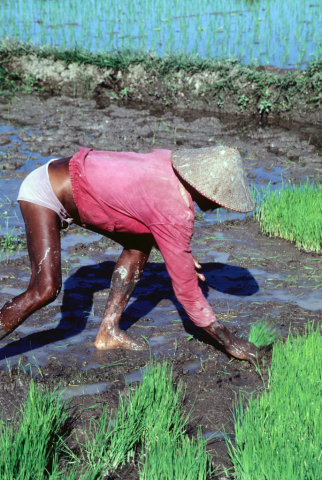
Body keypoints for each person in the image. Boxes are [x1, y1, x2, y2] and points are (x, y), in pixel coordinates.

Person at [0, 146, 259, 363]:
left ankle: (108, 331)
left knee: (139, 245)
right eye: (218, 198)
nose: (216, 206)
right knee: (45, 288)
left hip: (72, 183)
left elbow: (142, 205)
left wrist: (174, 249)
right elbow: (188, 293)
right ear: (204, 189)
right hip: (44, 191)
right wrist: (229, 341)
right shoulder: (175, 211)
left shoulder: (167, 162)